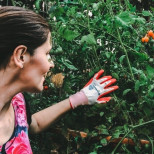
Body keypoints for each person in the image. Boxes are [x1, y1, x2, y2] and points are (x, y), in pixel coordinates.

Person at [0, 6, 118, 153]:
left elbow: (32, 124)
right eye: (47, 53)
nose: (51, 64)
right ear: (21, 56)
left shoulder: (17, 102)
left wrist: (79, 98)